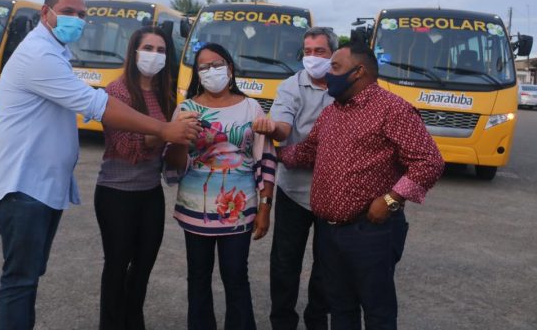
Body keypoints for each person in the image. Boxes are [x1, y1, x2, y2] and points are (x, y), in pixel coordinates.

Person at [0, 0, 200, 330]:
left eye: (82, 14)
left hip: (41, 187)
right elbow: (97, 105)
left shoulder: (56, 53)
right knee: (20, 280)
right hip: (23, 186)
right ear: (45, 13)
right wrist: (164, 130)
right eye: (68, 12)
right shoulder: (38, 56)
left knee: (29, 275)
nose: (77, 20)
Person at [264, 42, 444, 330]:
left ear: (358, 72)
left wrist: (391, 200)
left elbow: (429, 162)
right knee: (340, 307)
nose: (328, 74)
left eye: (335, 67)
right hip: (330, 232)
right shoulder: (332, 112)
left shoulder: (392, 110)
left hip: (370, 231)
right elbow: (307, 152)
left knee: (377, 310)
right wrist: (268, 151)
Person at [164, 42, 277, 330]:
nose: (211, 71)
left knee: (236, 275)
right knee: (198, 276)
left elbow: (265, 158)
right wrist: (180, 136)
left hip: (239, 209)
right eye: (204, 66)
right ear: (197, 72)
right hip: (196, 208)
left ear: (230, 68)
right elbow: (174, 162)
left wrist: (265, 207)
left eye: (217, 64)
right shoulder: (186, 109)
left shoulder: (251, 107)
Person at [96, 26, 181, 330]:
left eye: (161, 50)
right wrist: (166, 132)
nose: (154, 55)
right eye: (148, 48)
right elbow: (126, 145)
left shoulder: (164, 95)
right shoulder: (116, 92)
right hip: (116, 193)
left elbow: (169, 148)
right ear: (134, 52)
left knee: (144, 266)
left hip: (150, 192)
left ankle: (134, 320)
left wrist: (180, 137)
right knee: (117, 264)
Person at [253, 27, 337, 330]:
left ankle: (317, 320)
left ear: (333, 54)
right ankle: (282, 321)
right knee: (285, 262)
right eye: (307, 51)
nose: (312, 58)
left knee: (328, 264)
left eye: (320, 51)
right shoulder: (291, 86)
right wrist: (272, 128)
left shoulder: (344, 86)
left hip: (334, 192)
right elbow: (283, 127)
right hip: (294, 190)